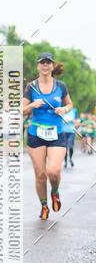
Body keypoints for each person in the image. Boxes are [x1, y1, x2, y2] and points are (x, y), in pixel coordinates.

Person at [22, 52, 74, 220]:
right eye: (42, 62)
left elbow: (70, 104)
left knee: (53, 171)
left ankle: (55, 192)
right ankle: (44, 206)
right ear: (38, 66)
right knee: (40, 175)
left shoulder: (61, 86)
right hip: (35, 134)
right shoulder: (31, 87)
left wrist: (64, 109)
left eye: (48, 62)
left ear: (52, 66)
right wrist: (32, 105)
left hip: (56, 133)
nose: (45, 65)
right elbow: (21, 111)